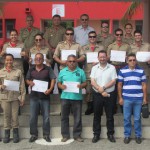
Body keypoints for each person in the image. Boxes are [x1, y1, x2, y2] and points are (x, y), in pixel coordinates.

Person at [26, 53, 56, 142]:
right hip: (34, 97)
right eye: (37, 58)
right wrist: (29, 83)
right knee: (33, 117)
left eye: (40, 58)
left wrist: (50, 89)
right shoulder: (31, 69)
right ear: (34, 60)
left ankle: (46, 135)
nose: (38, 59)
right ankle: (33, 134)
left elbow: (53, 79)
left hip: (45, 96)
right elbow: (27, 79)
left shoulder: (48, 69)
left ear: (43, 60)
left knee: (46, 117)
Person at [118, 53, 147, 144]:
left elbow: (144, 85)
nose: (132, 62)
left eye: (134, 60)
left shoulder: (141, 71)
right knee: (126, 118)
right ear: (127, 61)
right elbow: (119, 85)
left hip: (138, 99)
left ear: (136, 61)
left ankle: (138, 136)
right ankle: (127, 135)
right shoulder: (122, 71)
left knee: (137, 118)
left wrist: (145, 98)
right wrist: (120, 98)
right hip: (126, 99)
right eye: (130, 60)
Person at [57, 54, 86, 142]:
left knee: (77, 117)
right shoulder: (62, 71)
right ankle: (65, 135)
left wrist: (81, 85)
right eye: (70, 61)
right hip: (65, 97)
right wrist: (61, 86)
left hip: (77, 98)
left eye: (74, 61)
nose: (72, 63)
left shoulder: (81, 71)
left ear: (76, 62)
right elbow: (58, 83)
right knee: (64, 117)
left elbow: (85, 83)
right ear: (67, 62)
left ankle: (77, 135)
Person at [90, 50, 117, 143]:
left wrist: (104, 87)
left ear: (107, 57)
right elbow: (92, 81)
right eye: (100, 57)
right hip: (97, 94)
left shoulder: (112, 67)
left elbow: (113, 81)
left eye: (104, 57)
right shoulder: (94, 68)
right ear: (98, 58)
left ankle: (110, 134)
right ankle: (96, 134)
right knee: (97, 115)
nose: (102, 58)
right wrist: (100, 89)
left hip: (110, 94)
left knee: (110, 116)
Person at [0, 54, 26, 143]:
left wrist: (22, 98)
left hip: (15, 97)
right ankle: (7, 134)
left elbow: (22, 85)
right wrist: (0, 86)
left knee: (15, 117)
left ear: (13, 60)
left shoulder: (18, 72)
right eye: (7, 60)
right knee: (6, 116)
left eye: (10, 60)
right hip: (4, 98)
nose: (9, 62)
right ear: (4, 61)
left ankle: (15, 134)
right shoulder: (1, 72)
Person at [107, 28, 131, 113]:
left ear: (122, 35)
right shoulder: (111, 46)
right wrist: (109, 58)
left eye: (120, 34)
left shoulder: (127, 46)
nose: (119, 36)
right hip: (113, 68)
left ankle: (122, 105)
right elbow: (107, 59)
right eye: (117, 35)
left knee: (123, 87)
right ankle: (113, 106)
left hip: (123, 68)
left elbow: (130, 58)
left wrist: (126, 58)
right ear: (115, 35)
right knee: (113, 88)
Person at [82, 31, 104, 115]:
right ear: (88, 38)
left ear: (96, 37)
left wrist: (98, 62)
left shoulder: (101, 47)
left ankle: (98, 108)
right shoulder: (84, 48)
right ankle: (89, 107)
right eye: (90, 37)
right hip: (88, 72)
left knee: (98, 91)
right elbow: (81, 58)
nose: (92, 38)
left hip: (99, 72)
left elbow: (104, 58)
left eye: (94, 37)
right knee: (88, 91)